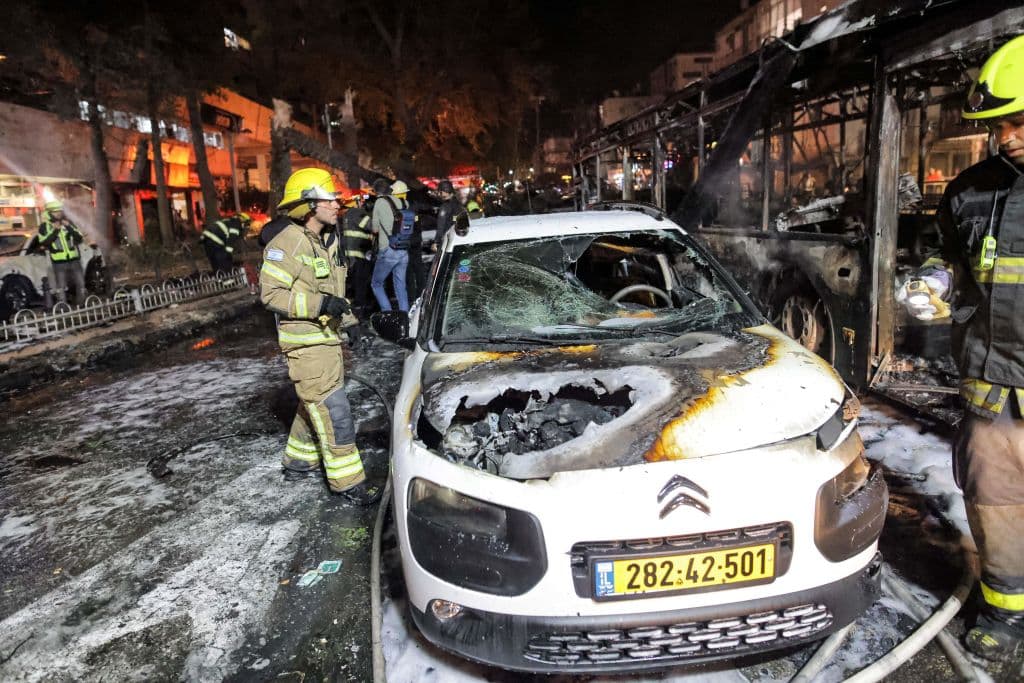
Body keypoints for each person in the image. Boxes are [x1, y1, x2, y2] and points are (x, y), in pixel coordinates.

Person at [903, 35, 1024, 661]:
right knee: (996, 502)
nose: (1006, 136)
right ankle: (1005, 610)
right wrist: (936, 279)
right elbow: (948, 254)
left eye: (1020, 120)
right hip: (993, 386)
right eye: (1001, 123)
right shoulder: (972, 190)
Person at [259, 168, 378, 505]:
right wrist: (319, 304)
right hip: (305, 346)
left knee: (314, 404)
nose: (337, 203)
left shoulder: (329, 240)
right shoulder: (288, 242)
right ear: (309, 204)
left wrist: (350, 320)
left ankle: (298, 461)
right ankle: (348, 483)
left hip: (326, 341)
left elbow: (334, 291)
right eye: (329, 198)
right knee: (334, 412)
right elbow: (271, 295)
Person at [370, 179, 412, 312]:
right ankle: (404, 315)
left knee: (376, 284)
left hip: (389, 249)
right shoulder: (403, 202)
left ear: (377, 192)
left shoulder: (380, 202)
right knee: (400, 285)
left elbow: (375, 229)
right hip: (403, 249)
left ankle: (387, 313)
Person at [37, 200, 86, 305]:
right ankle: (63, 308)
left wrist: (68, 227)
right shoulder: (45, 226)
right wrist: (55, 230)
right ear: (49, 213)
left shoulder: (68, 223)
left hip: (74, 259)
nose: (58, 213)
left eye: (59, 211)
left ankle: (81, 306)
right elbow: (44, 242)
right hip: (59, 262)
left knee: (81, 284)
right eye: (55, 212)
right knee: (61, 287)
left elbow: (79, 237)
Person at [341, 192, 374, 319]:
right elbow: (372, 226)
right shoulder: (357, 213)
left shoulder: (348, 214)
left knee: (356, 283)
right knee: (361, 283)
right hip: (360, 254)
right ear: (354, 202)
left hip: (353, 254)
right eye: (360, 200)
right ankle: (361, 312)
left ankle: (358, 308)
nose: (363, 203)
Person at [435, 179, 467, 244]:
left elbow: (441, 224)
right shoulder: (459, 205)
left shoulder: (445, 206)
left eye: (440, 192)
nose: (439, 194)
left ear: (445, 191)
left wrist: (437, 240)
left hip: (448, 239)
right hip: (460, 238)